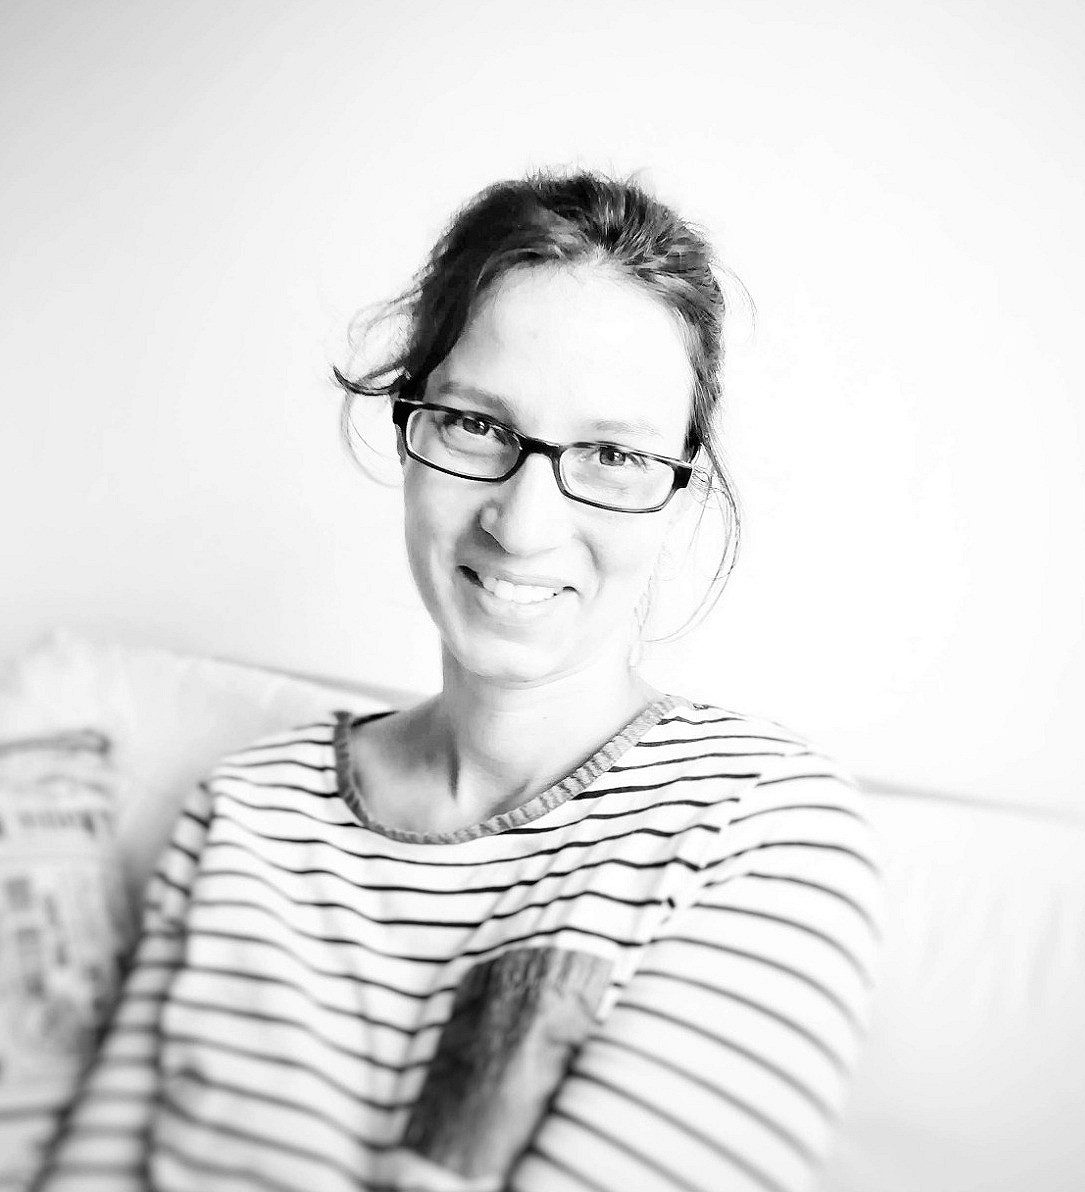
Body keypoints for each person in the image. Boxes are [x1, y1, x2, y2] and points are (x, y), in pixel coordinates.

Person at [34, 172, 883, 1192]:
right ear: (410, 424)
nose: (523, 524)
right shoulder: (246, 809)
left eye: (613, 453)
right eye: (479, 426)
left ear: (679, 492)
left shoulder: (758, 828)